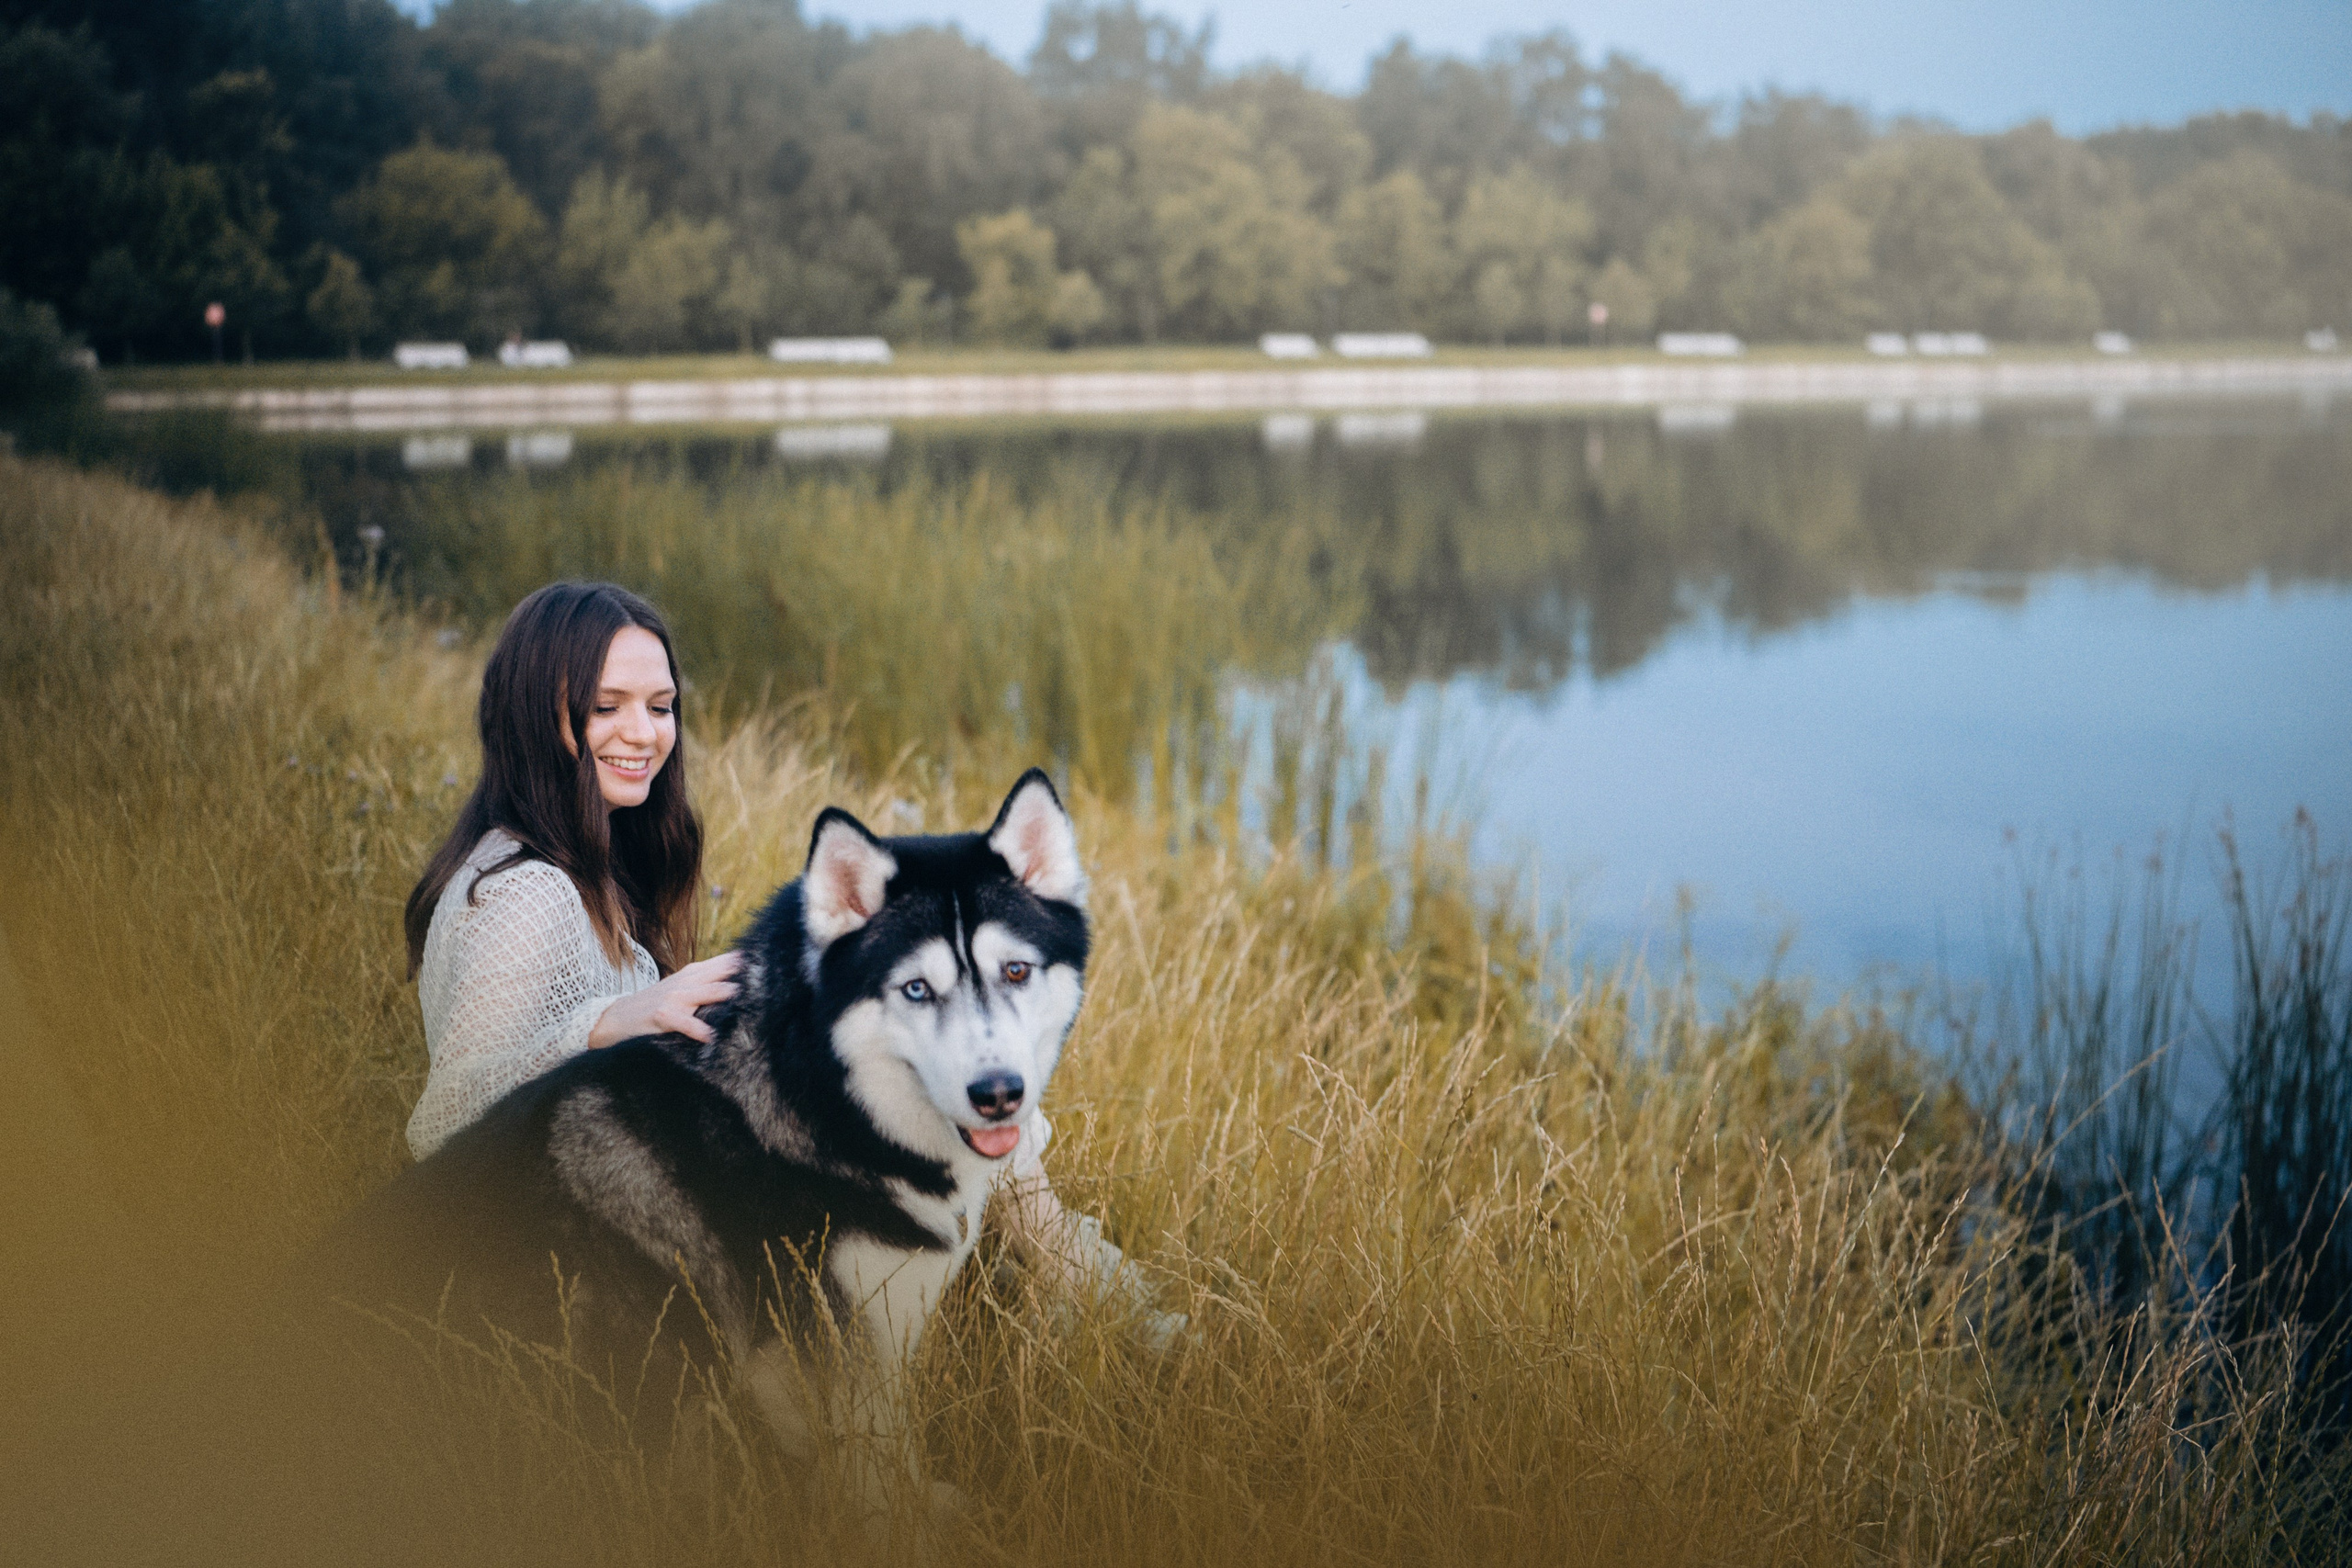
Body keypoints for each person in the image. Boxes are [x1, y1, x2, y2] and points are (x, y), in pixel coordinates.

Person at [401, 581, 1164, 1323]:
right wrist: (609, 1021)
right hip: (562, 1256)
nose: (645, 733)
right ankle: (1090, 1290)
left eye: (661, 707)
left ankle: (1070, 1280)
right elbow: (445, 1127)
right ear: (536, 714)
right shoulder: (524, 894)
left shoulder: (591, 853)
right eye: (607, 707)